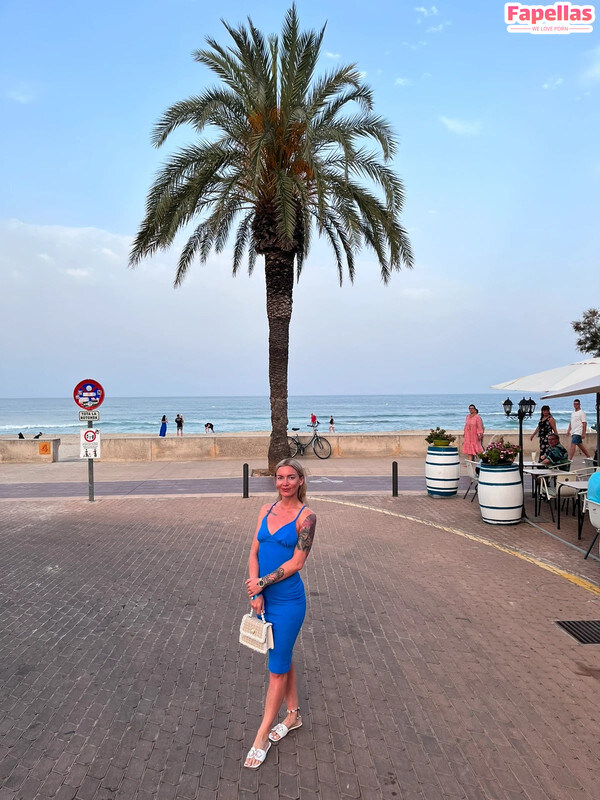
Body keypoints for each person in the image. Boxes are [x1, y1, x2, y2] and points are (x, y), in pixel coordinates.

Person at [243, 458, 317, 770]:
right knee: (282, 657)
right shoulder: (265, 510)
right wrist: (256, 591)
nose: (284, 483)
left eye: (291, 477)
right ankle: (293, 715)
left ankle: (261, 736)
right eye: (279, 477)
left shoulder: (307, 517)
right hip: (264, 597)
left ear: (301, 481)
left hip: (288, 602)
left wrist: (262, 583)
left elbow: (297, 562)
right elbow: (254, 551)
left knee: (276, 669)